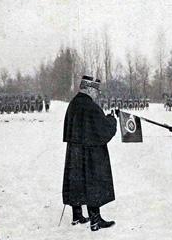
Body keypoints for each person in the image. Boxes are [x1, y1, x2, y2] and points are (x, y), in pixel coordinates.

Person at [62, 75, 117, 231]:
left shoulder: (73, 103)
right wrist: (112, 120)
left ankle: (77, 215)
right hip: (90, 152)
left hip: (74, 152)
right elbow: (104, 130)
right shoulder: (91, 106)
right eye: (96, 90)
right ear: (89, 89)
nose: (97, 94)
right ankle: (95, 220)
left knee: (76, 182)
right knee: (93, 183)